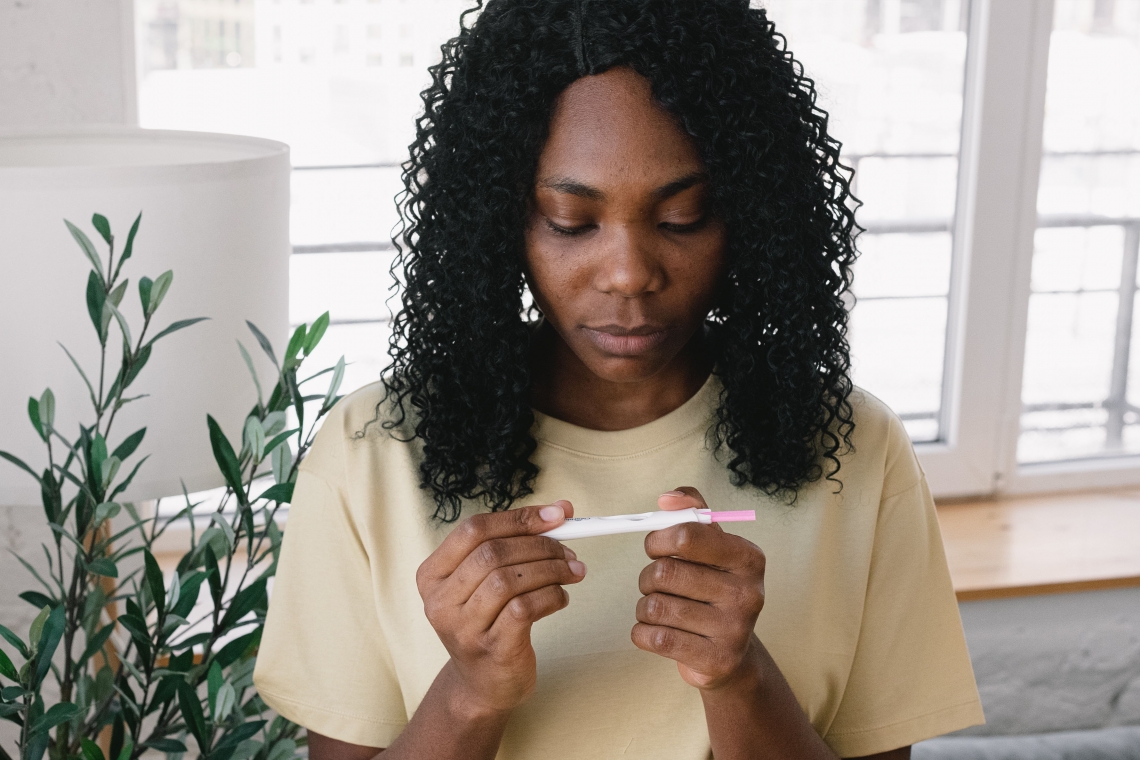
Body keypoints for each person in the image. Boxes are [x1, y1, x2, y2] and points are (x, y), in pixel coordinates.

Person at [252, 1, 984, 758]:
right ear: (501, 222)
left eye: (682, 218)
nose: (630, 274)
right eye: (572, 221)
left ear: (750, 218)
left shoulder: (854, 449)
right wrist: (470, 693)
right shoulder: (373, 452)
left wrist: (739, 679)